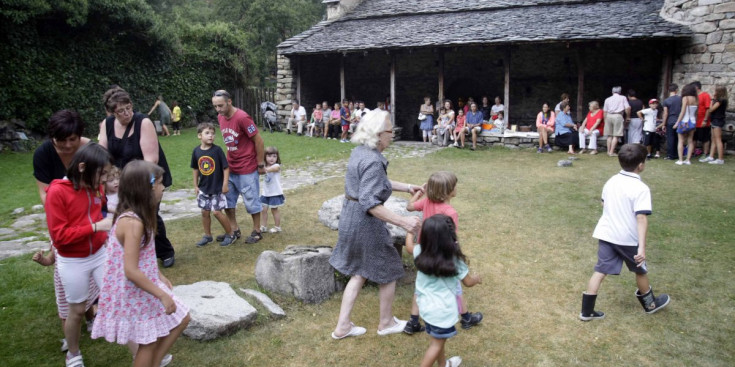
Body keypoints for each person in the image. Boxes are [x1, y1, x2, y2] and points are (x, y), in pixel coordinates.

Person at [329, 109, 422, 340]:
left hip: (350, 217)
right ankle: (386, 323)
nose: (393, 135)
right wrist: (404, 222)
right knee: (389, 269)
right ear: (379, 134)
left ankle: (342, 327)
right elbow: (370, 203)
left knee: (359, 272)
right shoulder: (372, 160)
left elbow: (374, 183)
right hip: (364, 222)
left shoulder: (361, 152)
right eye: (391, 131)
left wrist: (408, 186)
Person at [91, 160, 191, 367]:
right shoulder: (133, 222)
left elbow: (143, 257)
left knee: (180, 319)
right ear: (147, 188)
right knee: (149, 341)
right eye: (161, 183)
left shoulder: (139, 217)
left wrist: (159, 276)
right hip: (134, 291)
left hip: (144, 286)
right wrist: (161, 294)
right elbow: (130, 270)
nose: (163, 188)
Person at [579, 144, 670, 321]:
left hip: (607, 234)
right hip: (628, 238)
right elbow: (641, 218)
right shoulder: (641, 188)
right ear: (641, 165)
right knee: (640, 270)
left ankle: (586, 312)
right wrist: (641, 248)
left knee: (600, 270)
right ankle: (650, 304)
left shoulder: (611, 181)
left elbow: (604, 204)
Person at [44, 143, 113, 367]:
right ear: (83, 167)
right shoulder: (57, 192)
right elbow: (59, 237)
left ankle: (141, 352)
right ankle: (73, 354)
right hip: (72, 260)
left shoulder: (95, 187)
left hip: (100, 254)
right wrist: (95, 227)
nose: (104, 180)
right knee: (76, 310)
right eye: (101, 174)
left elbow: (100, 209)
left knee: (117, 299)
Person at [99, 87, 176, 268]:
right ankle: (132, 254)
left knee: (149, 215)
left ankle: (165, 251)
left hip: (147, 178)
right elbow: (101, 153)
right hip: (119, 181)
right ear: (112, 112)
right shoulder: (107, 124)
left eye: (128, 107)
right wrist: (105, 178)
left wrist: (140, 186)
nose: (127, 113)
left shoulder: (143, 122)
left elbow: (151, 159)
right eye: (121, 111)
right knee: (124, 216)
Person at [403, 171, 482, 335]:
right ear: (448, 191)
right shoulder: (450, 212)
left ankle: (413, 322)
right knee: (456, 287)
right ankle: (466, 318)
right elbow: (452, 238)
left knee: (421, 286)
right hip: (442, 253)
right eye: (455, 186)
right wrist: (456, 255)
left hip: (424, 251)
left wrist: (419, 193)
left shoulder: (426, 202)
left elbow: (409, 206)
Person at [409, 215, 482, 367]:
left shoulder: (419, 251)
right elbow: (468, 282)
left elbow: (409, 246)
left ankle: (444, 365)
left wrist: (410, 231)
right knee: (436, 344)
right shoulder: (454, 260)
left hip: (425, 308)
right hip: (442, 313)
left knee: (438, 340)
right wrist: (477, 279)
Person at [211, 90, 266, 244]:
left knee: (251, 200)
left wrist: (260, 164)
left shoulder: (242, 118)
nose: (218, 109)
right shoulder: (220, 117)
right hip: (230, 167)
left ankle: (257, 230)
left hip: (247, 167)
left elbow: (259, 141)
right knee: (228, 200)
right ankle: (234, 229)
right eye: (215, 106)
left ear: (229, 102)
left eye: (220, 105)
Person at [33, 110, 92, 204]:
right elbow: (45, 193)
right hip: (60, 205)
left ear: (80, 136)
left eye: (72, 139)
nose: (67, 145)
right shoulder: (43, 154)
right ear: (53, 137)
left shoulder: (91, 151)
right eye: (62, 140)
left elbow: (101, 188)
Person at [191, 122, 233, 247]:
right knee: (204, 212)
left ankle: (231, 234)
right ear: (200, 136)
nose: (211, 136)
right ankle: (208, 236)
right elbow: (195, 169)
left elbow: (226, 168)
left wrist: (225, 184)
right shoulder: (196, 151)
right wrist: (195, 185)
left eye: (213, 133)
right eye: (207, 133)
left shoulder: (217, 150)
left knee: (217, 212)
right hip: (204, 188)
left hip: (217, 188)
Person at [259, 146, 285, 233]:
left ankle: (277, 227)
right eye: (269, 156)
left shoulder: (276, 166)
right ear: (265, 157)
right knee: (263, 210)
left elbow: (274, 169)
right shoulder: (264, 166)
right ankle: (263, 226)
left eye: (274, 156)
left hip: (275, 193)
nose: (272, 158)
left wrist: (265, 170)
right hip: (265, 193)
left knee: (274, 210)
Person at [700, 86, 728, 165]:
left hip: (718, 120)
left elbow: (711, 109)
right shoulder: (720, 100)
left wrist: (712, 100)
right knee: (713, 139)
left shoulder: (720, 100)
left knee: (718, 140)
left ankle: (720, 159)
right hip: (714, 120)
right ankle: (711, 156)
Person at [673, 83, 698, 165]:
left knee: (681, 140)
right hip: (693, 122)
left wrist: (677, 123)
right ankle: (688, 159)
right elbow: (696, 113)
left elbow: (683, 112)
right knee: (690, 141)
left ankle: (680, 160)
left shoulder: (685, 98)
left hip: (684, 121)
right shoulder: (696, 99)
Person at [603, 86, 631, 156]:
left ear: (612, 92)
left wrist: (605, 119)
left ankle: (608, 151)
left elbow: (605, 111)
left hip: (608, 116)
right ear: (620, 92)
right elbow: (627, 108)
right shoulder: (623, 98)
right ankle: (611, 152)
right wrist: (627, 116)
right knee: (616, 135)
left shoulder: (607, 99)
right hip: (618, 115)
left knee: (609, 135)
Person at [662, 84, 681, 160]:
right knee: (679, 138)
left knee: (670, 138)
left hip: (670, 120)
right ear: (676, 90)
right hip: (679, 120)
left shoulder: (666, 101)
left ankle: (670, 155)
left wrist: (663, 124)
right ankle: (677, 154)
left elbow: (666, 113)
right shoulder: (680, 99)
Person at [693, 81, 712, 157]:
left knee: (705, 138)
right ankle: (693, 152)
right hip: (695, 121)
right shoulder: (694, 97)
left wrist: (705, 120)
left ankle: (705, 153)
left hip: (703, 121)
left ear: (696, 87)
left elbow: (708, 108)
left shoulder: (705, 95)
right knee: (694, 138)